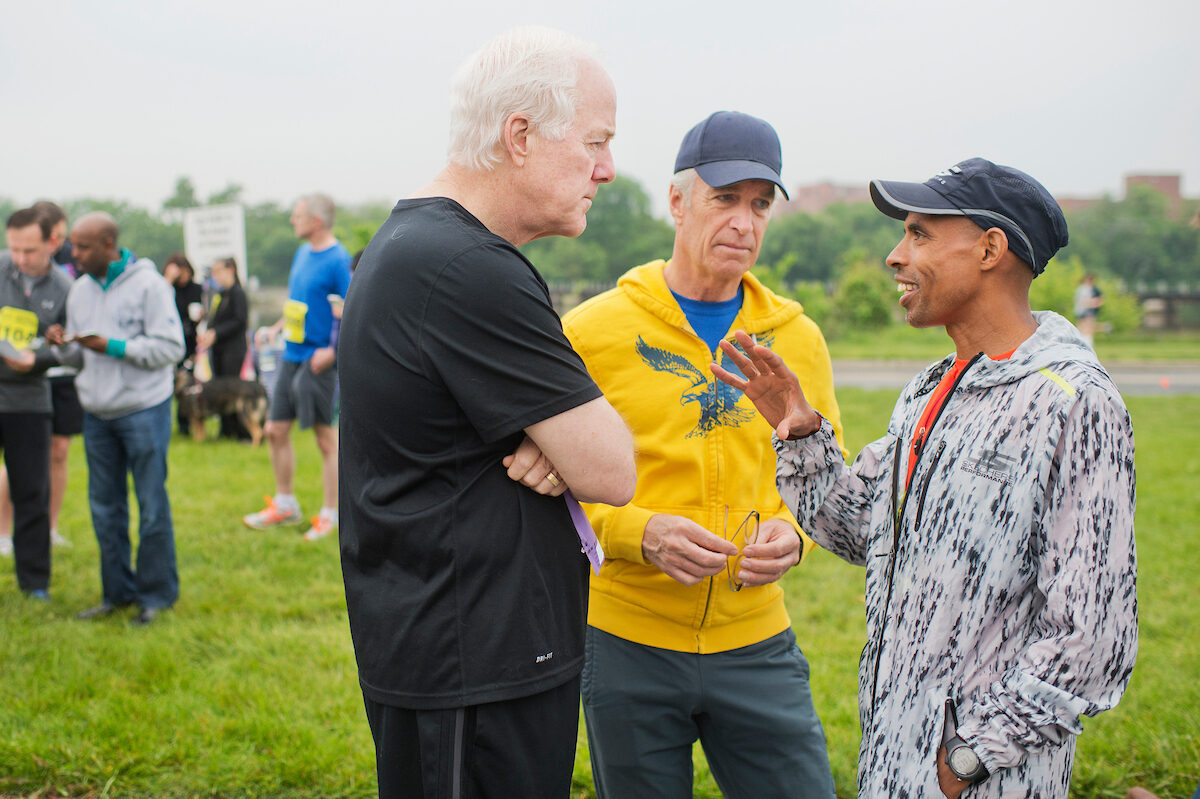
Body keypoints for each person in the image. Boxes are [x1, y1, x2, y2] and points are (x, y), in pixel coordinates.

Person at [711, 158, 1137, 798]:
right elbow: (862, 533)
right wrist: (800, 434)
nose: (894, 255)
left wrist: (970, 759)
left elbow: (1093, 636)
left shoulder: (1072, 401)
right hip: (892, 763)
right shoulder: (929, 390)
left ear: (991, 249)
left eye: (919, 234)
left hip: (983, 780)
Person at [337, 27, 636, 799]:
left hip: (449, 638)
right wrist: (561, 437)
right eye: (596, 141)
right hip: (474, 659)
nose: (606, 168)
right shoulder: (469, 267)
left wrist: (548, 434)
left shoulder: (410, 243)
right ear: (520, 136)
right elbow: (610, 467)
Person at [560, 111, 844, 798]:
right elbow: (546, 486)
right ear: (678, 202)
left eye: (760, 204)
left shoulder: (796, 337)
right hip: (626, 639)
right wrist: (637, 532)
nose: (744, 222)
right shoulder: (592, 332)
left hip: (757, 640)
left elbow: (826, 476)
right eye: (725, 199)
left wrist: (795, 532)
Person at [55, 212, 185, 626]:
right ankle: (117, 593)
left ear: (109, 244)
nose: (73, 254)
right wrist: (62, 345)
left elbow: (169, 348)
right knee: (105, 509)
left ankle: (157, 596)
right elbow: (78, 357)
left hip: (144, 409)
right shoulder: (78, 291)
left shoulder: (150, 285)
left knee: (150, 505)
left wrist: (111, 345)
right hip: (96, 413)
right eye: (73, 245)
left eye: (83, 246)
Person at [242, 193, 351, 541]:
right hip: (290, 354)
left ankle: (331, 514)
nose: (292, 220)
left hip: (319, 361)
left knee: (324, 440)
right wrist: (274, 329)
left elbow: (354, 311)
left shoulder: (338, 260)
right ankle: (286, 504)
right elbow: (297, 302)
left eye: (298, 215)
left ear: (316, 221)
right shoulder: (303, 253)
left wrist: (333, 352)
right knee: (274, 429)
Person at [0, 208, 77, 598]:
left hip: (28, 400)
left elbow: (73, 349)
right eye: (13, 248)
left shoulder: (65, 288)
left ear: (51, 242)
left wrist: (38, 358)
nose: (20, 258)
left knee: (31, 491)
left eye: (28, 249)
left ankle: (35, 583)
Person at [198, 257, 249, 439]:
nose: (215, 277)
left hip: (233, 349)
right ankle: (226, 429)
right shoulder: (220, 295)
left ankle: (241, 430)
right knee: (219, 388)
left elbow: (239, 320)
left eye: (218, 271)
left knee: (231, 389)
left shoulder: (238, 293)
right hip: (218, 349)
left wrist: (216, 333)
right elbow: (215, 319)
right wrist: (208, 332)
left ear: (230, 270)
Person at [162, 253, 204, 434]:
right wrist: (168, 280)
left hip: (189, 341)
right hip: (169, 341)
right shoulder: (166, 289)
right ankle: (165, 423)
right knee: (167, 385)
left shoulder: (196, 289)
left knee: (187, 385)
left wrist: (201, 318)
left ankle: (185, 424)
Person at [1073, 272, 1103, 347]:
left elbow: (1100, 300)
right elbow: (1077, 300)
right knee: (1081, 327)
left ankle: (1088, 344)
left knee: (1089, 328)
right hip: (1081, 311)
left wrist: (1090, 303)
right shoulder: (1081, 289)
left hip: (1089, 311)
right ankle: (1080, 344)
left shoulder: (1094, 290)